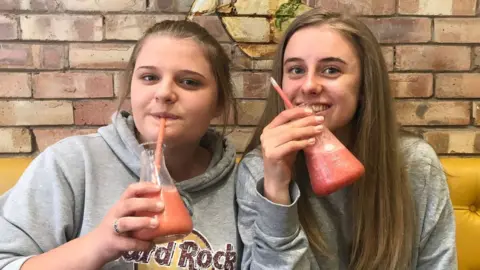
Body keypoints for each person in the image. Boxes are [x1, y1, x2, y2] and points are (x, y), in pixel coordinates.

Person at [0, 20, 239, 270]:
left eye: (189, 82)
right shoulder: (70, 164)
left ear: (219, 103)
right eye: (150, 77)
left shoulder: (241, 185)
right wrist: (99, 245)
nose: (164, 92)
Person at [235, 9, 457, 270]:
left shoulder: (414, 164)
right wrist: (276, 192)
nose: (308, 86)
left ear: (364, 86)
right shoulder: (258, 171)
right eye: (296, 70)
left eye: (330, 70)